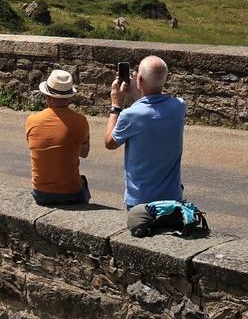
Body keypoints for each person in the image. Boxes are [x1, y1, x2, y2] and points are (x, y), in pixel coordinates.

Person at [104, 55, 186, 209]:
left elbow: (109, 143)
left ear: (140, 80)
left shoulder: (130, 115)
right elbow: (154, 108)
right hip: (172, 198)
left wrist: (116, 105)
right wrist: (138, 93)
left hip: (141, 202)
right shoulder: (179, 107)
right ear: (166, 78)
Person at [25, 70, 91, 206]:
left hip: (41, 193)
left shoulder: (32, 120)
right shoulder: (80, 121)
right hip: (71, 193)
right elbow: (84, 153)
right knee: (83, 182)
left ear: (47, 96)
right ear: (70, 97)